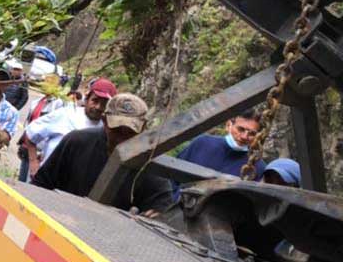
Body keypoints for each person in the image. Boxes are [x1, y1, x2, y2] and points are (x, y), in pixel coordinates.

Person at [32, 93, 174, 213]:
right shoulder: (77, 141)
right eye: (117, 130)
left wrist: (155, 214)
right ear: (105, 121)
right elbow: (41, 184)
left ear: (143, 128)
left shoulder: (148, 164)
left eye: (130, 132)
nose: (122, 138)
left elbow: (162, 208)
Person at [23, 78, 117, 179]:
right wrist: (33, 163)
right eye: (95, 100)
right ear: (87, 99)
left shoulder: (107, 129)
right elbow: (31, 132)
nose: (98, 107)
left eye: (104, 104)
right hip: (45, 179)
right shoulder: (66, 114)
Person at [176, 109, 266, 178]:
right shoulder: (202, 143)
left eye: (252, 134)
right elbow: (174, 172)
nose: (244, 137)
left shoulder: (256, 166)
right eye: (241, 129)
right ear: (228, 125)